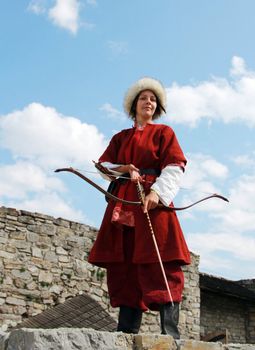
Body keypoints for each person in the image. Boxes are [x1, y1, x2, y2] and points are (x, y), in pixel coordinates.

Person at [88, 77, 191, 339]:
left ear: (157, 108)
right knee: (125, 264)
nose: (149, 101)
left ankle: (170, 334)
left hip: (154, 204)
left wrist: (157, 192)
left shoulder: (164, 133)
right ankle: (125, 332)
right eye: (144, 98)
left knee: (163, 262)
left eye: (153, 99)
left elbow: (174, 165)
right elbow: (104, 167)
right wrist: (124, 168)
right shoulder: (120, 137)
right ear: (134, 104)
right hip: (124, 206)